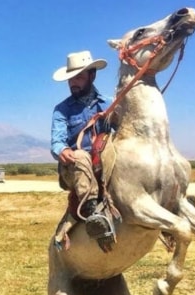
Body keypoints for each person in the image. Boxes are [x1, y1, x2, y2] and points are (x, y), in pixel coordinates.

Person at [51, 50, 115, 243]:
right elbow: (57, 141)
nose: (73, 83)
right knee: (80, 156)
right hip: (74, 167)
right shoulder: (62, 110)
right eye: (71, 79)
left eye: (78, 77)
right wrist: (62, 150)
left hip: (105, 164)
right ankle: (93, 213)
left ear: (92, 75)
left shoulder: (110, 105)